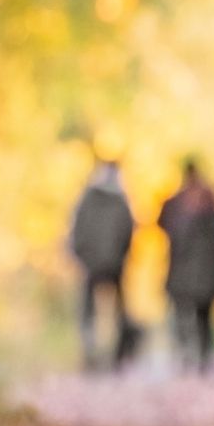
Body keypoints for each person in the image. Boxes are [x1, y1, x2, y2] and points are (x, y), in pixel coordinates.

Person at [158, 160, 214, 376]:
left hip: (182, 270)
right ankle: (202, 356)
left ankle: (188, 354)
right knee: (203, 317)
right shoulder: (209, 205)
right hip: (203, 272)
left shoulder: (176, 205)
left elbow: (161, 226)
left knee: (185, 315)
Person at [69, 159, 138, 371]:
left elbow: (77, 231)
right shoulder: (120, 199)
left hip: (92, 264)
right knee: (118, 311)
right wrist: (122, 256)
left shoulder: (87, 199)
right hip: (114, 264)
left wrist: (82, 256)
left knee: (89, 311)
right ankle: (115, 354)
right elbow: (129, 231)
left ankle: (92, 352)